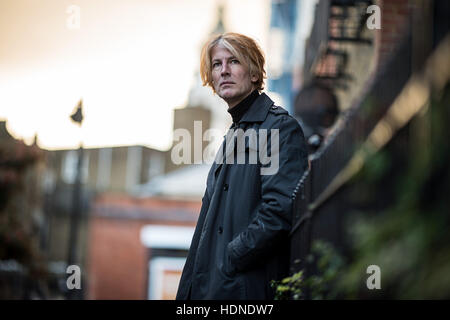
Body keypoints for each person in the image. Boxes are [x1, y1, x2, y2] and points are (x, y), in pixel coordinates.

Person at [176, 32, 308, 300]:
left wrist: (231, 256)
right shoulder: (232, 137)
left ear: (255, 73)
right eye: (216, 64)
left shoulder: (279, 129)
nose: (224, 71)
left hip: (244, 292)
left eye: (233, 61)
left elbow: (279, 212)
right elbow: (206, 229)